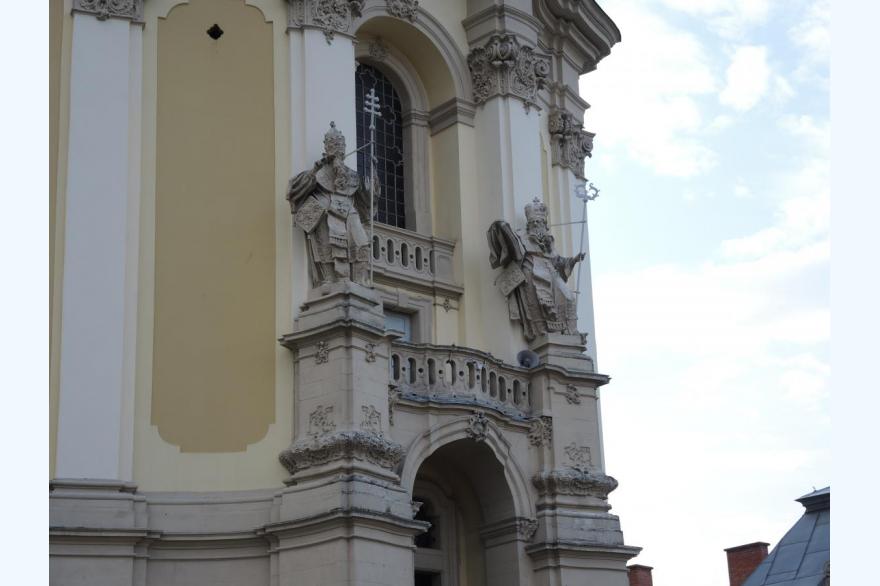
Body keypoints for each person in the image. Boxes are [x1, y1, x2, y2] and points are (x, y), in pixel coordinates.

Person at [287, 122, 375, 287]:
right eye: (334, 147)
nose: (338, 152)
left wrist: (372, 183)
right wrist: (316, 167)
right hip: (326, 211)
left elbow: (367, 198)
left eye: (340, 148)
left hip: (349, 211)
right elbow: (294, 190)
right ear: (327, 149)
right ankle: (333, 280)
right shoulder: (319, 172)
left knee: (362, 242)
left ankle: (359, 281)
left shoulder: (352, 175)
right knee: (328, 247)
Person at [487, 197, 584, 340]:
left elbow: (557, 260)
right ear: (529, 224)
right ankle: (541, 332)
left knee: (568, 296)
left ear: (545, 225)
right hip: (531, 270)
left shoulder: (548, 241)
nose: (536, 224)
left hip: (550, 271)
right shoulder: (521, 235)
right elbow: (511, 248)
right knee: (536, 303)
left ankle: (571, 332)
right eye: (533, 222)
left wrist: (574, 260)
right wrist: (501, 227)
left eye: (539, 222)